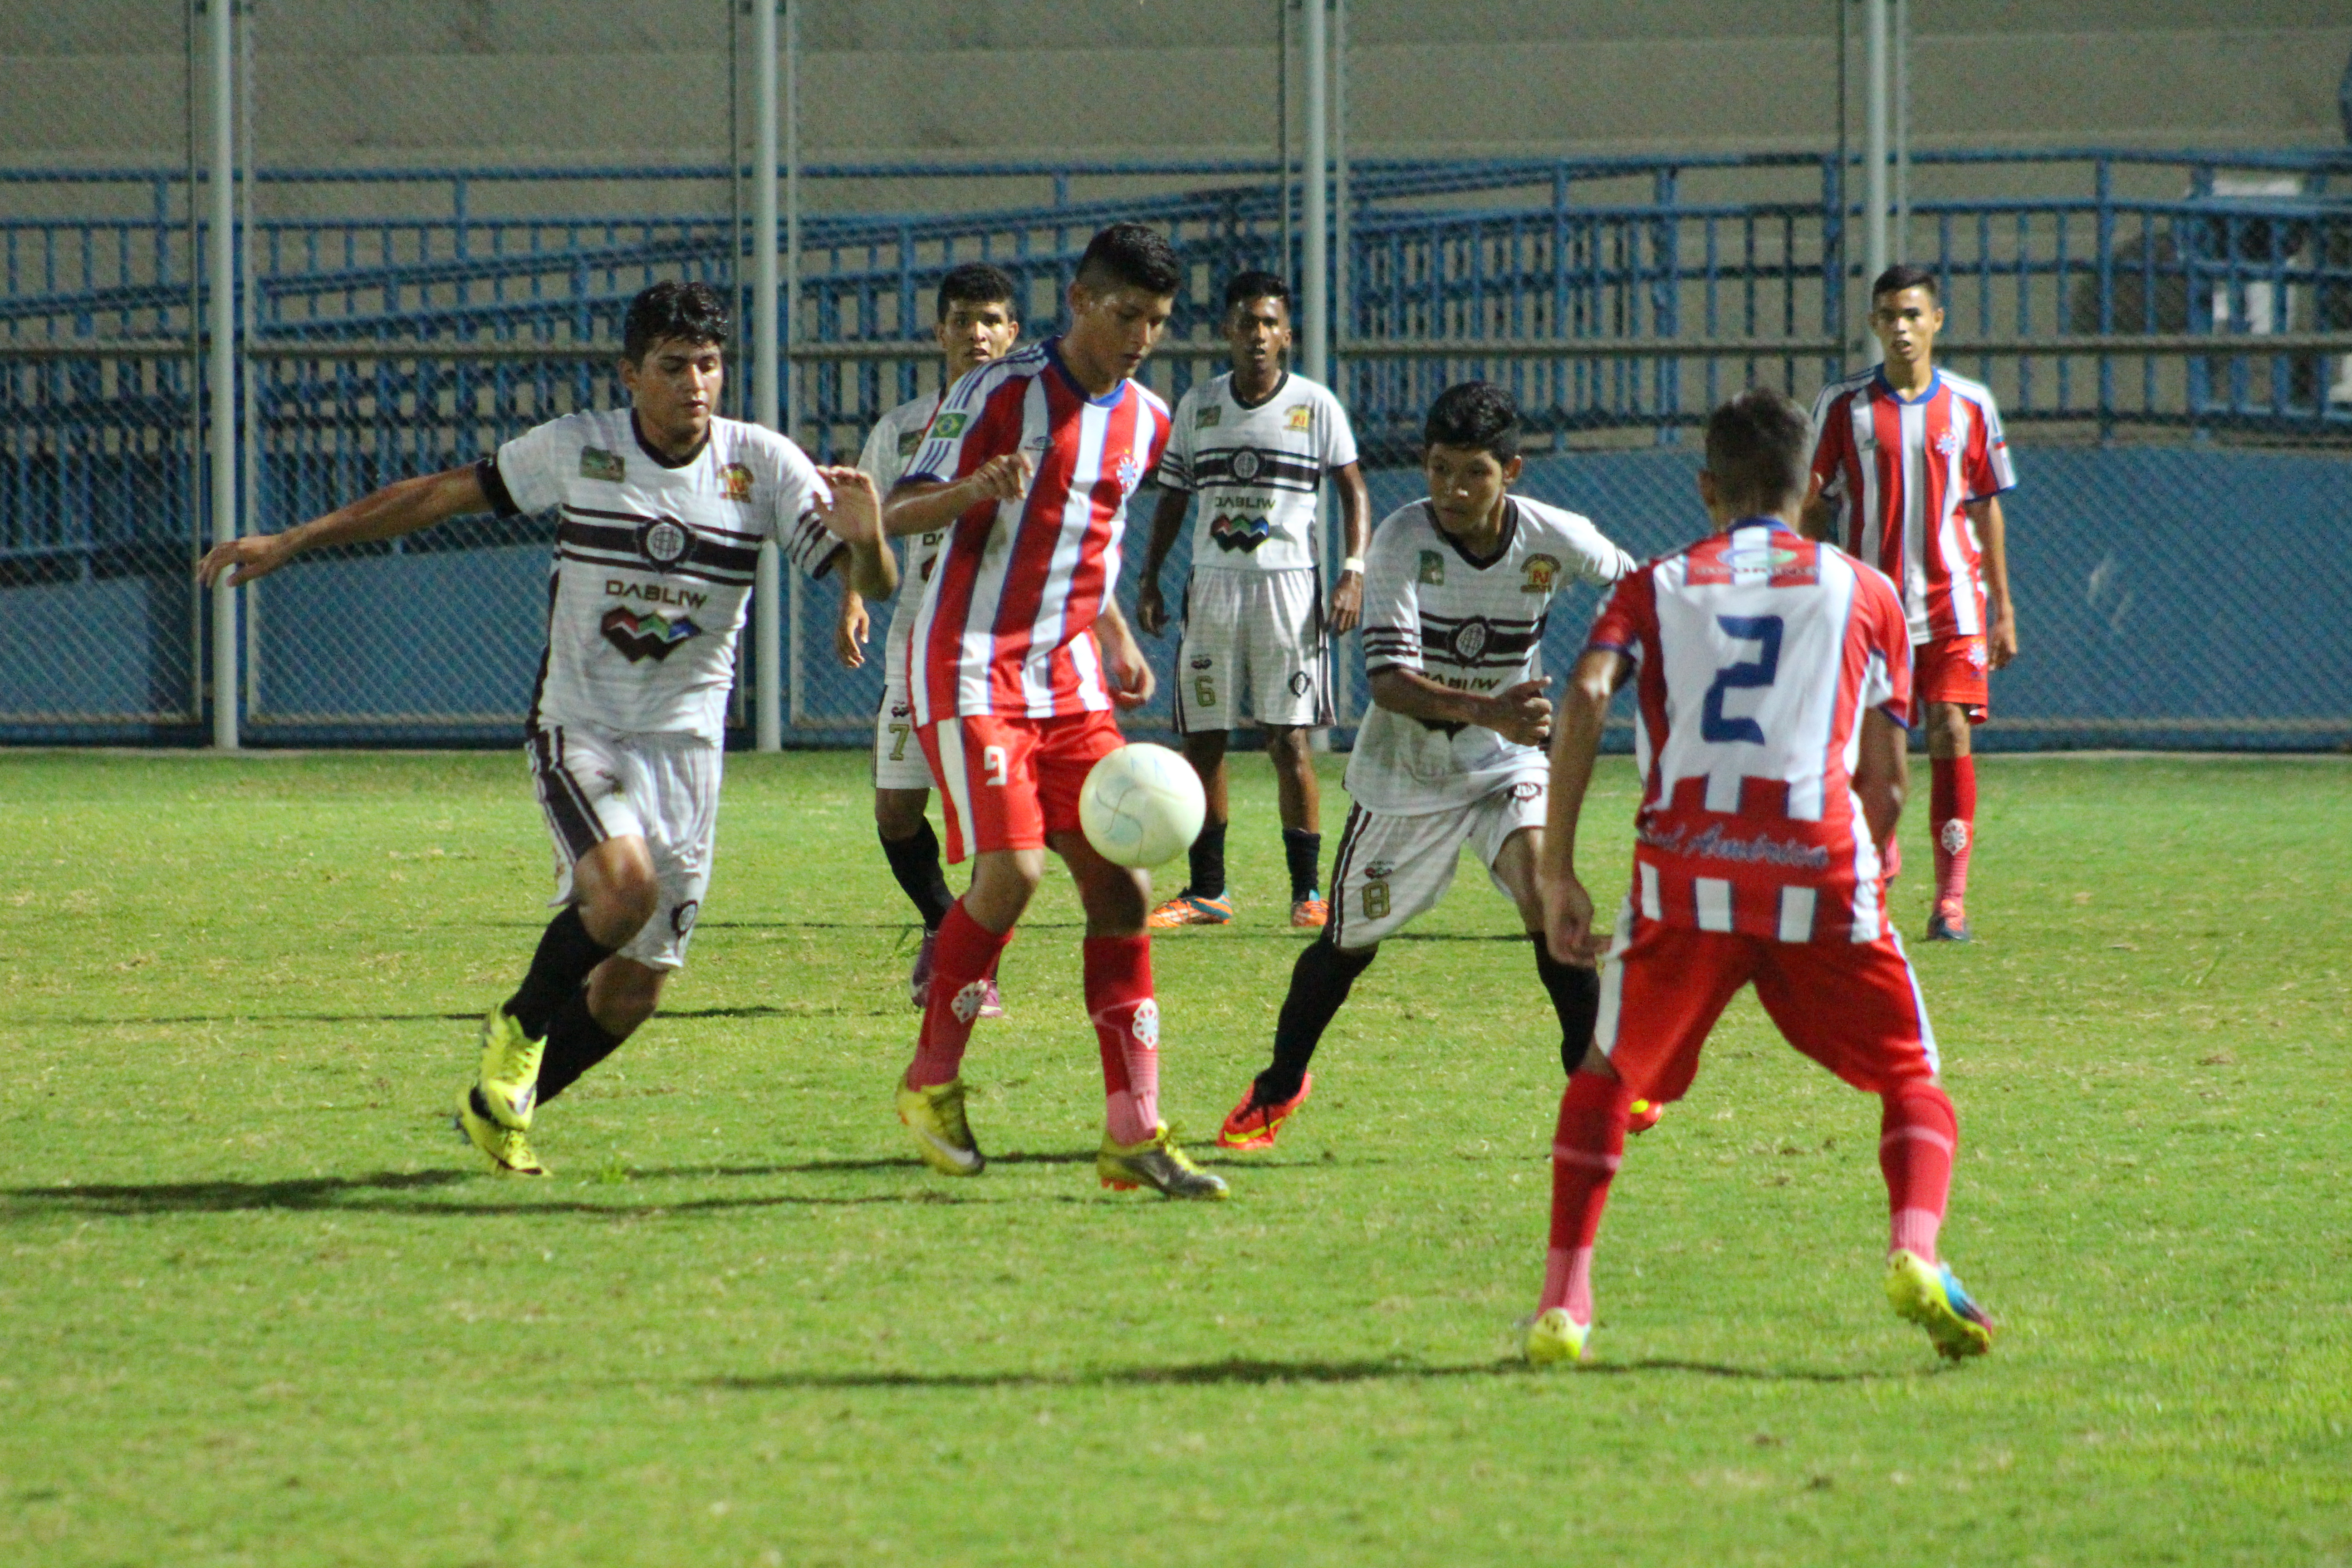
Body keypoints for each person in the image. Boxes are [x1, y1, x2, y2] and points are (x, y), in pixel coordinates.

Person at [195, 280, 895, 1176]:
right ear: (632, 375)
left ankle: (503, 1107)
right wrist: (296, 538)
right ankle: (519, 1027)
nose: (696, 385)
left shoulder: (761, 465)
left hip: (688, 751)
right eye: (674, 367)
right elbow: (438, 495)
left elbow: (868, 581)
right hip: (582, 729)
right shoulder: (579, 449)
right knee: (622, 892)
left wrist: (869, 543)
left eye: (710, 366)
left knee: (635, 989)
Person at [1526, 386, 1995, 1367]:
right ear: (1811, 488)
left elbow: (1584, 693)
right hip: (1815, 862)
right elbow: (1890, 783)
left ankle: (1563, 1306)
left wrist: (1559, 866)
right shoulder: (1867, 591)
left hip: (1684, 871)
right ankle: (1916, 1250)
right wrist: (1872, 850)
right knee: (1914, 1079)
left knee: (1606, 1079)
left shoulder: (1654, 583)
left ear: (1706, 487)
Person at [881, 222, 1225, 1199]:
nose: (1140, 336)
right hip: (968, 667)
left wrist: (1114, 634)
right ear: (1078, 302)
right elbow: (898, 509)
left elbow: (1086, 533)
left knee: (1121, 890)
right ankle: (930, 1080)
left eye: (1156, 321)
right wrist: (973, 490)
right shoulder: (994, 392)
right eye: (1125, 316)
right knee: (1016, 873)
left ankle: (1135, 1134)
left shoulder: (1150, 422)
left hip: (1068, 679)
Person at [1214, 382, 1638, 1152]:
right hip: (1404, 777)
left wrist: (1602, 679)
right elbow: (1388, 683)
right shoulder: (1403, 542)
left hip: (1505, 764)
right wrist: (1494, 710)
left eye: (1473, 472)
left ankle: (1597, 1080)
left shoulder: (1557, 536)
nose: (1452, 489)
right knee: (1346, 945)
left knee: (1549, 900)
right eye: (1439, 469)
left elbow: (1638, 593)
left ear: (1512, 471)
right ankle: (1279, 1086)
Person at [1133, 270, 1371, 930]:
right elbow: (1174, 496)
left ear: (1287, 335)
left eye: (1270, 324)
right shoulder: (1199, 407)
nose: (1258, 336)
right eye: (1246, 323)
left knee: (1288, 740)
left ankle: (1309, 894)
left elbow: (1353, 489)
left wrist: (1353, 570)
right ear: (1227, 332)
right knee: (1203, 742)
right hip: (1211, 588)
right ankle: (1209, 891)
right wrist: (1150, 577)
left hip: (1288, 588)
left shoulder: (1315, 405)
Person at [1805, 263, 2018, 943]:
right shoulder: (1843, 406)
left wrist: (2003, 610)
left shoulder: (1970, 404)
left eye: (1913, 315)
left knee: (1951, 730)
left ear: (1937, 321)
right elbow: (1813, 505)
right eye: (1889, 316)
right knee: (1880, 754)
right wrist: (1815, 585)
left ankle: (1951, 898)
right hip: (1871, 610)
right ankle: (1881, 856)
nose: (1901, 328)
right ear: (1873, 323)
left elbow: (1986, 512)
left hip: (1955, 603)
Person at [833, 262, 1024, 1013]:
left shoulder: (1036, 426)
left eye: (992, 321)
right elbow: (865, 521)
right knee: (895, 812)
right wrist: (853, 594)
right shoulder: (905, 428)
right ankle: (946, 924)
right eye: (964, 321)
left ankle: (976, 971)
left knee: (986, 819)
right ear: (940, 332)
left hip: (999, 650)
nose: (977, 334)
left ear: (1013, 335)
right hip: (916, 641)